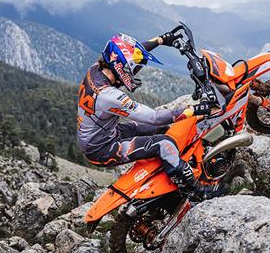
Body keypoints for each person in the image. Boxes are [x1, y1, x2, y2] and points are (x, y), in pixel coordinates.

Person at [76, 31, 218, 200]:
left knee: (164, 129)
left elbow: (132, 53)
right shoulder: (108, 96)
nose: (134, 70)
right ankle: (196, 192)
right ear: (121, 67)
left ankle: (172, 169)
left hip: (104, 134)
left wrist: (160, 40)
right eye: (132, 67)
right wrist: (196, 109)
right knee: (165, 144)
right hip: (102, 149)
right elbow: (154, 117)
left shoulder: (96, 70)